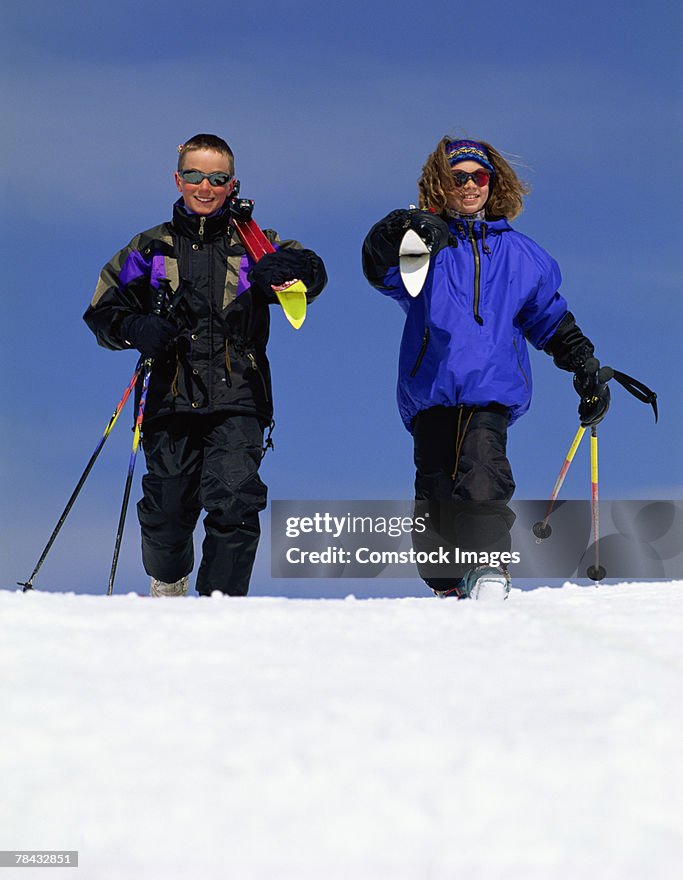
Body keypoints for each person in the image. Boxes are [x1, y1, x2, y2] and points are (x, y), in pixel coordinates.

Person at [362, 137, 610, 600]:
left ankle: (489, 566)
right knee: (435, 499)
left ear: (493, 183)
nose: (471, 185)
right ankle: (447, 585)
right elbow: (381, 271)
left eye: (480, 176)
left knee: (482, 474)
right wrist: (399, 228)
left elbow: (548, 318)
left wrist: (583, 364)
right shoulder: (424, 245)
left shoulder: (522, 255)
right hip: (432, 391)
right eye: (460, 177)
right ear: (443, 184)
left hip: (491, 391)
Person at [84, 133, 327, 597]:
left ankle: (221, 609)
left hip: (239, 394)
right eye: (194, 176)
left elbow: (311, 273)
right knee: (167, 508)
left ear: (232, 184)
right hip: (169, 397)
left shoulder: (254, 243)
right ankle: (169, 584)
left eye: (217, 178)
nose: (204, 187)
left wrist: (294, 269)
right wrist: (136, 329)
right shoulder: (150, 248)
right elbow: (102, 310)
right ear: (178, 179)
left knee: (236, 500)